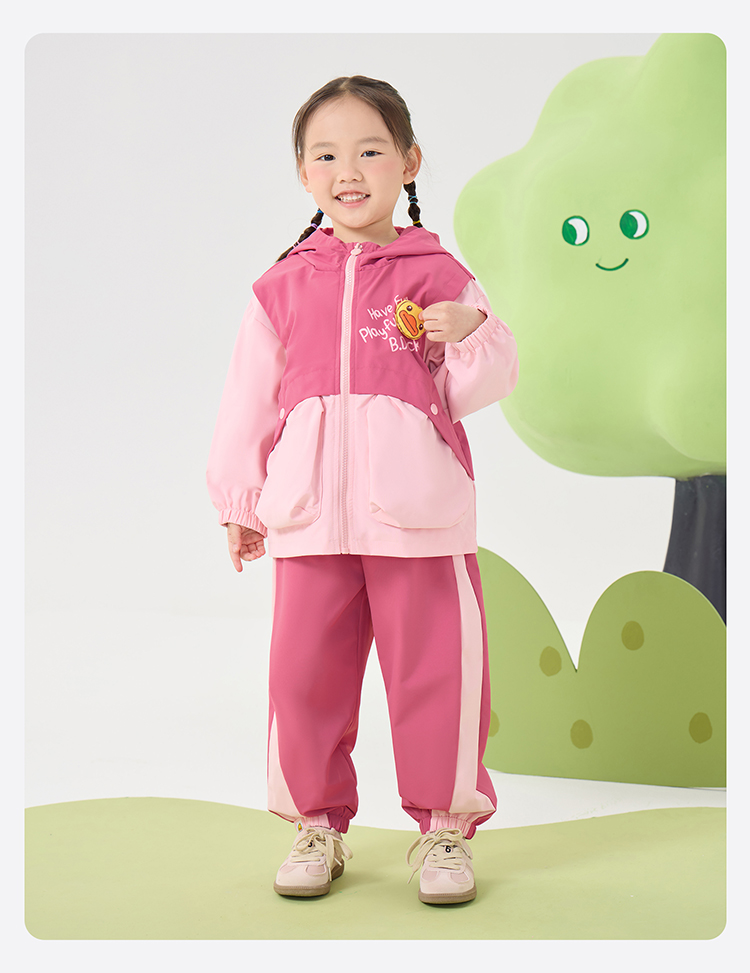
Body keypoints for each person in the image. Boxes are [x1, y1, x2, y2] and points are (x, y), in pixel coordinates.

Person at [207, 75, 518, 905]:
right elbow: (248, 402)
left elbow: (477, 387)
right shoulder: (281, 285)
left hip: (419, 515)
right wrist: (241, 502)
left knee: (438, 674)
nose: (348, 170)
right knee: (303, 677)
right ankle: (317, 824)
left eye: (370, 150)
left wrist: (474, 333)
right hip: (309, 516)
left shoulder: (438, 273)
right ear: (304, 174)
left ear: (409, 162)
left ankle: (445, 829)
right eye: (326, 155)